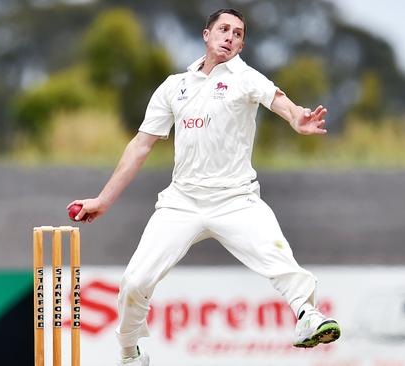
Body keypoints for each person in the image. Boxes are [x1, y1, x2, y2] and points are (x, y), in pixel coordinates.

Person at [68, 8, 341, 366]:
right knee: (135, 282)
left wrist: (297, 118)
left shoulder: (246, 78)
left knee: (281, 260)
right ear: (206, 34)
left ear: (242, 44)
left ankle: (307, 315)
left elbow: (280, 103)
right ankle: (129, 353)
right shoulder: (174, 86)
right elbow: (141, 145)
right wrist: (103, 199)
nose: (230, 37)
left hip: (236, 200)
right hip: (182, 202)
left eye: (238, 34)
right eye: (224, 29)